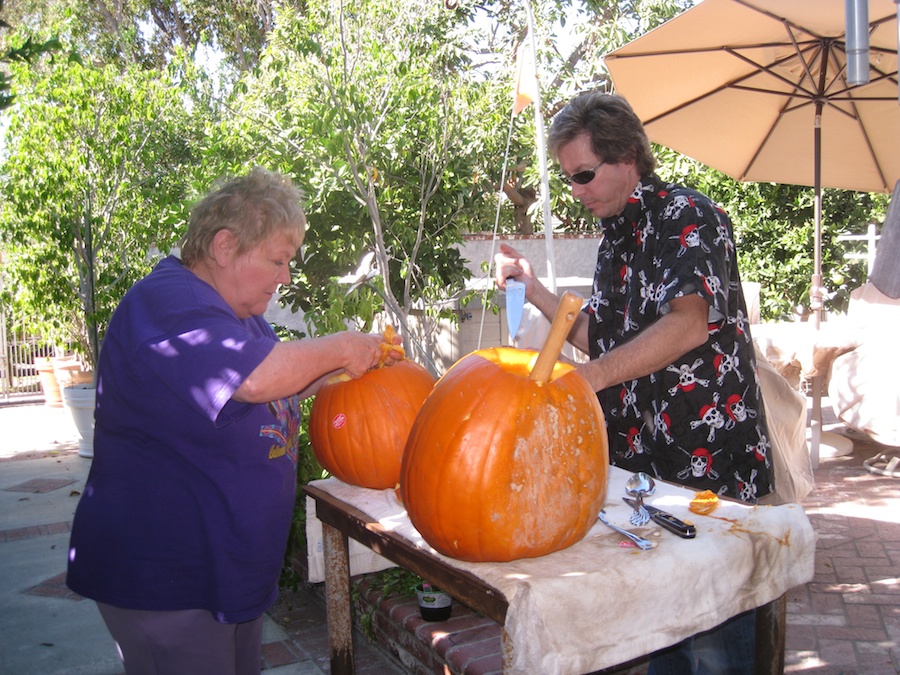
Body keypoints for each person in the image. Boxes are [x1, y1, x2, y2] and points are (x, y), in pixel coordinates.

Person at [66, 167, 401, 675]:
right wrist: (341, 345)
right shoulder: (167, 304)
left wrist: (340, 370)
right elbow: (254, 381)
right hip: (169, 581)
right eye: (277, 260)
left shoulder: (238, 316)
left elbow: (270, 386)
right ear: (225, 246)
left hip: (222, 575)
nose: (285, 277)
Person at [494, 91, 773, 673]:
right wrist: (537, 289)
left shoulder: (690, 216)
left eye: (584, 175)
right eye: (570, 179)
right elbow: (609, 341)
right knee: (664, 632)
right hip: (647, 470)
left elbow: (687, 326)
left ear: (626, 156)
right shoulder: (615, 238)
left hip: (709, 467)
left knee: (716, 647)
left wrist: (586, 381)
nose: (577, 191)